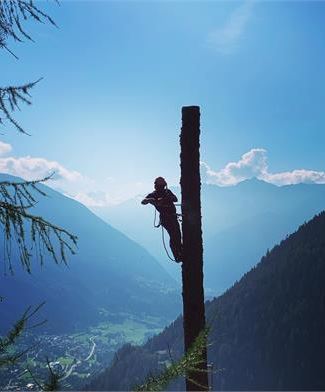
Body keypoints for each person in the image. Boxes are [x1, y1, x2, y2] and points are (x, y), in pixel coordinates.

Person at [141, 177, 182, 262]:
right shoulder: (154, 195)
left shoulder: (167, 192)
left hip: (171, 217)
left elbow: (175, 199)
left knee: (176, 235)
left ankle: (179, 253)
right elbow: (143, 201)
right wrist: (150, 200)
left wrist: (162, 200)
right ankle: (178, 255)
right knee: (174, 235)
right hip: (166, 218)